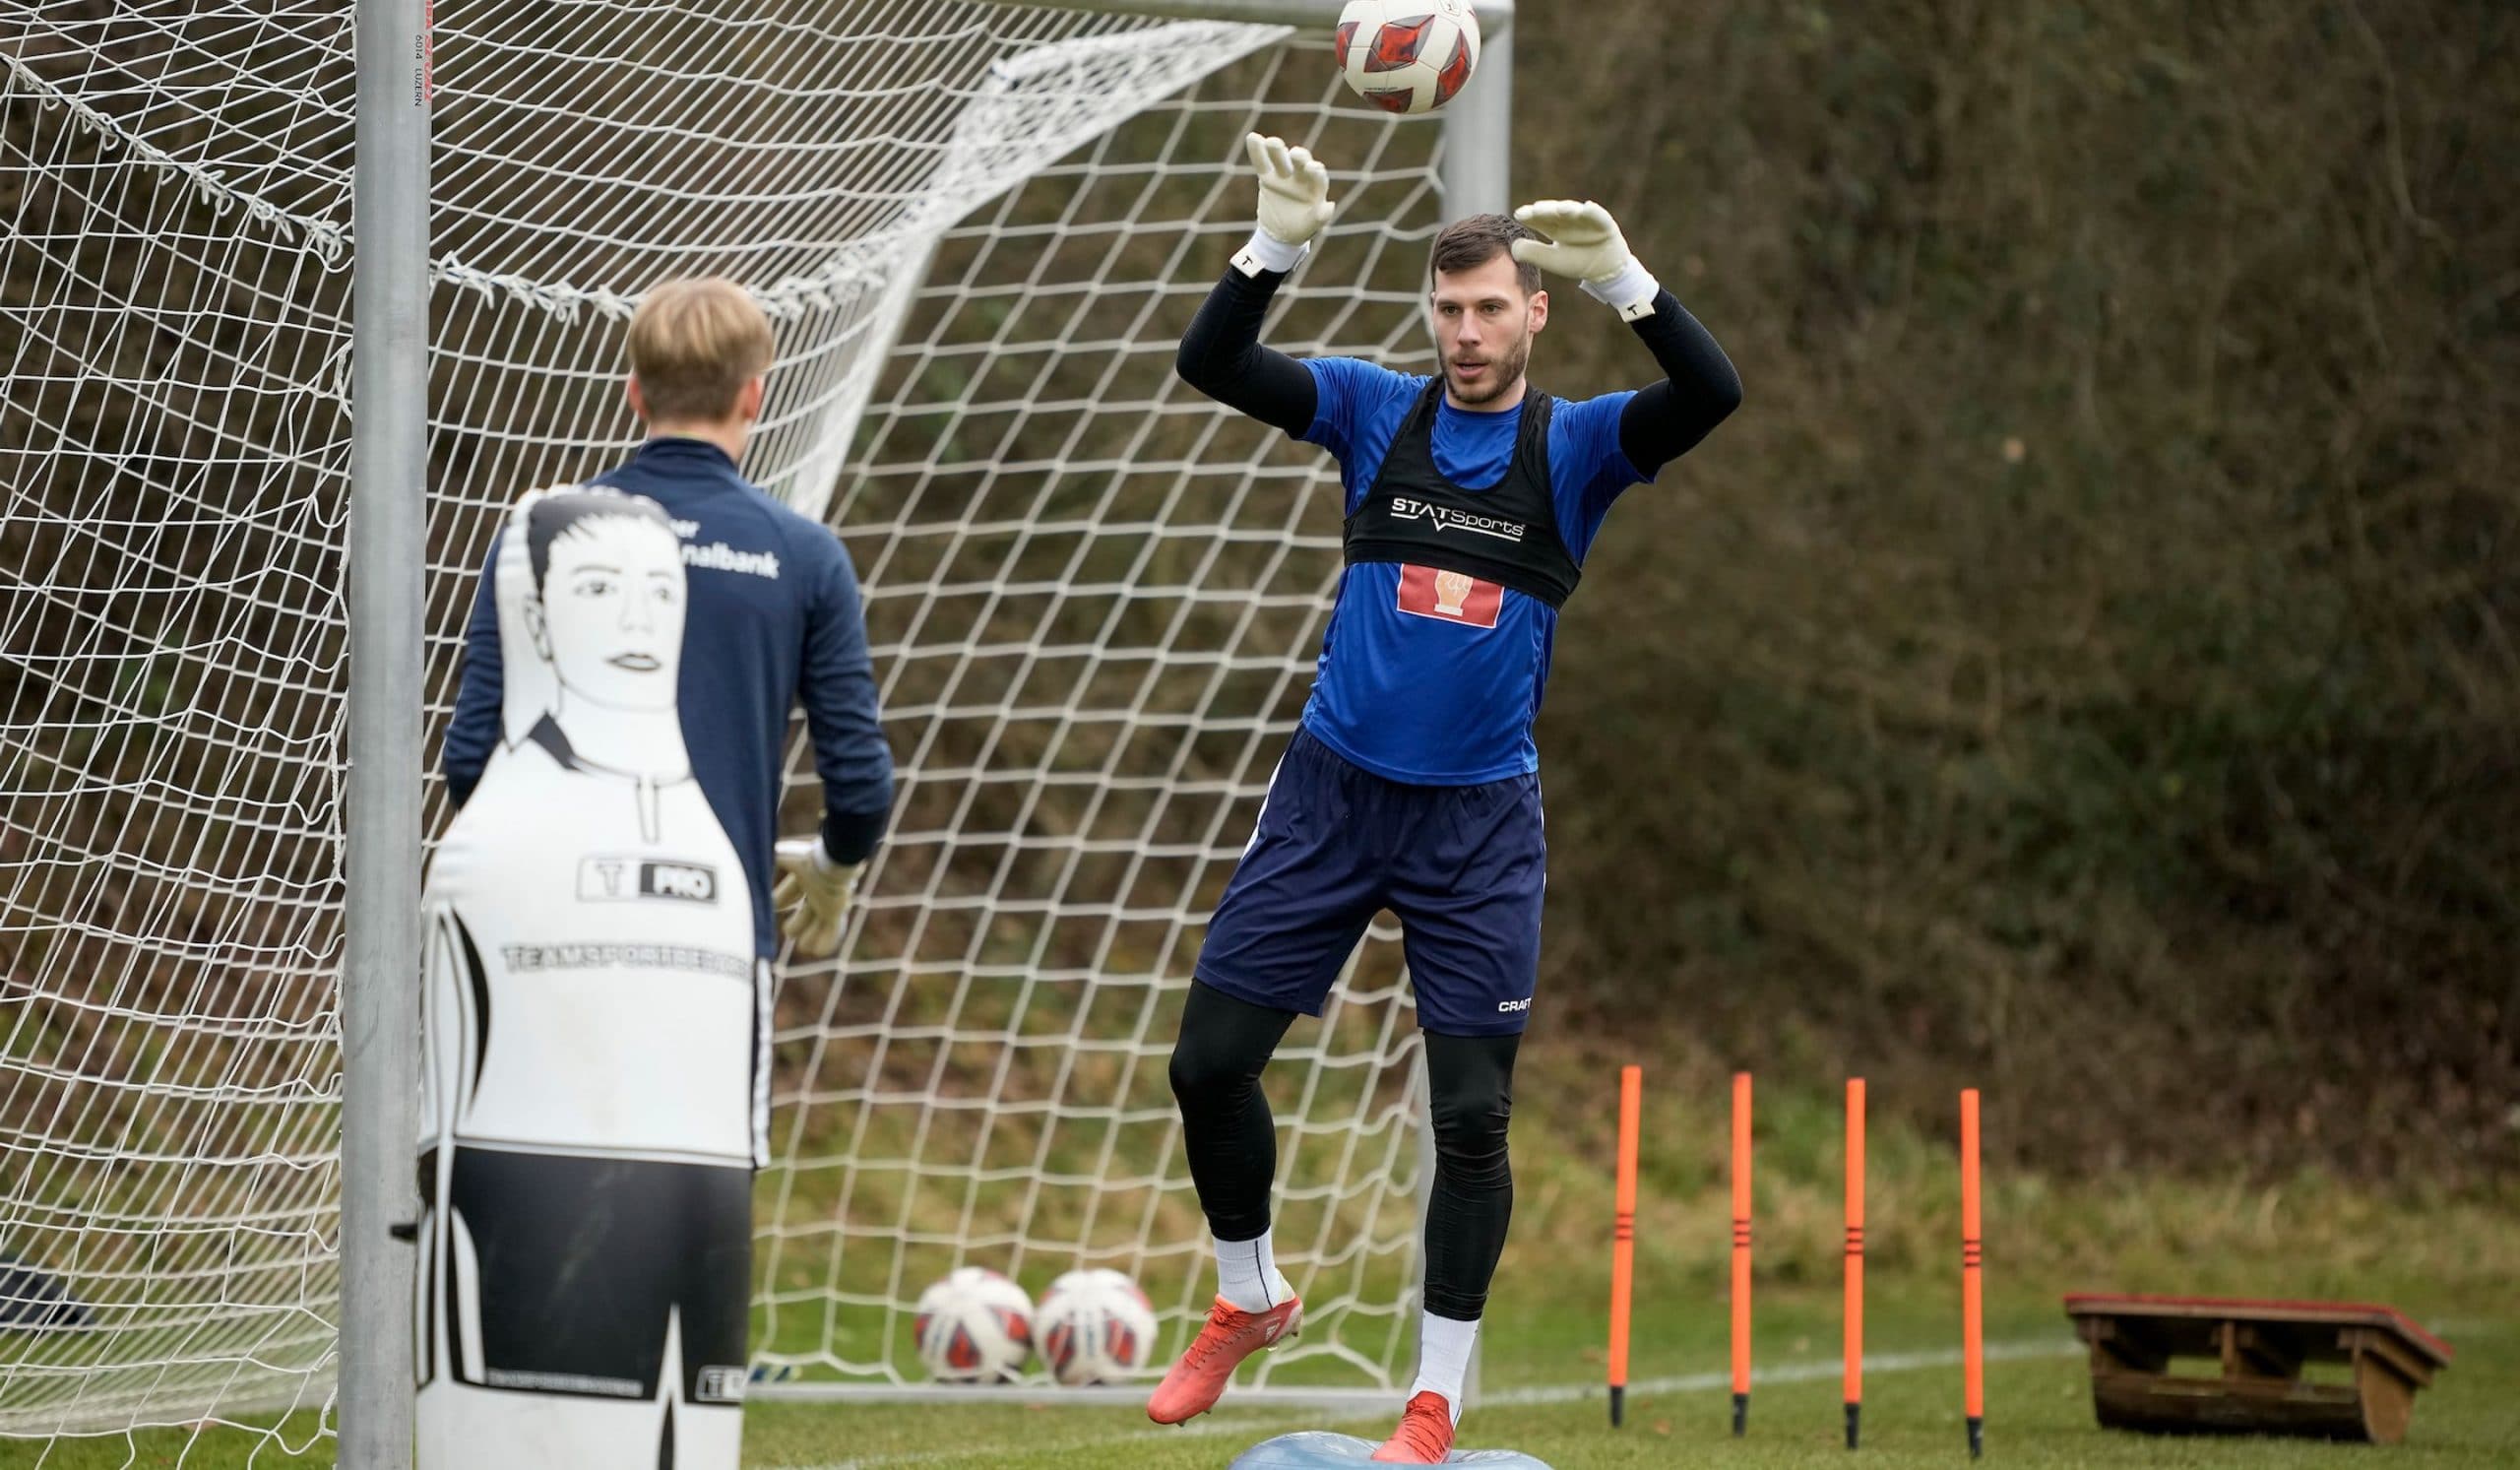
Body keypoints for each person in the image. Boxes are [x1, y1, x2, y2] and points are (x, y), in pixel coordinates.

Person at [1149, 135, 1741, 1462]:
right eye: (1447, 308)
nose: (1465, 332)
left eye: (1488, 309)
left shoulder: (1575, 447)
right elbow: (1214, 363)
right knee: (1207, 1066)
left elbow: (1713, 394)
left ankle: (1433, 1398)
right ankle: (1249, 1295)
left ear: (1532, 314)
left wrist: (1629, 282)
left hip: (1477, 827)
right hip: (1331, 797)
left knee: (1471, 1116)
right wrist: (1273, 248)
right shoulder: (1374, 412)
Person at [425, 281, 894, 1466]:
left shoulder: (545, 540)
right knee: (691, 1192)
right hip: (708, 943)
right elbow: (861, 785)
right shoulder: (802, 553)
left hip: (541, 935)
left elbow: (469, 757)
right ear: (756, 395)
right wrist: (831, 872)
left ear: (633, 392)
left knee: (539, 1175)